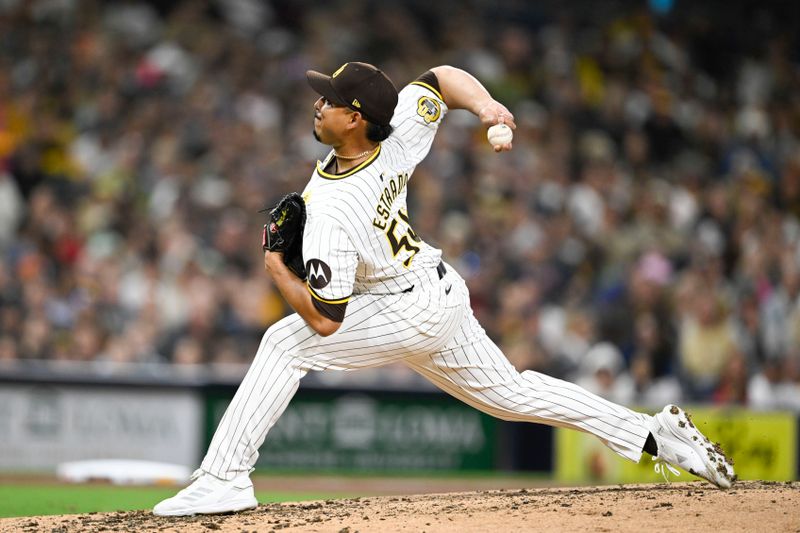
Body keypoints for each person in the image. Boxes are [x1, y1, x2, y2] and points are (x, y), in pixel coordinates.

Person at [153, 63, 735, 516]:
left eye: (328, 99)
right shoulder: (394, 133)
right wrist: (486, 108)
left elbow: (326, 321)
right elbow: (440, 79)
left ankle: (224, 478)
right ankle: (653, 434)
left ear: (354, 118)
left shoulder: (331, 207)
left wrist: (278, 267)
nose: (317, 103)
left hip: (405, 305)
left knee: (285, 344)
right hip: (436, 293)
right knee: (512, 396)